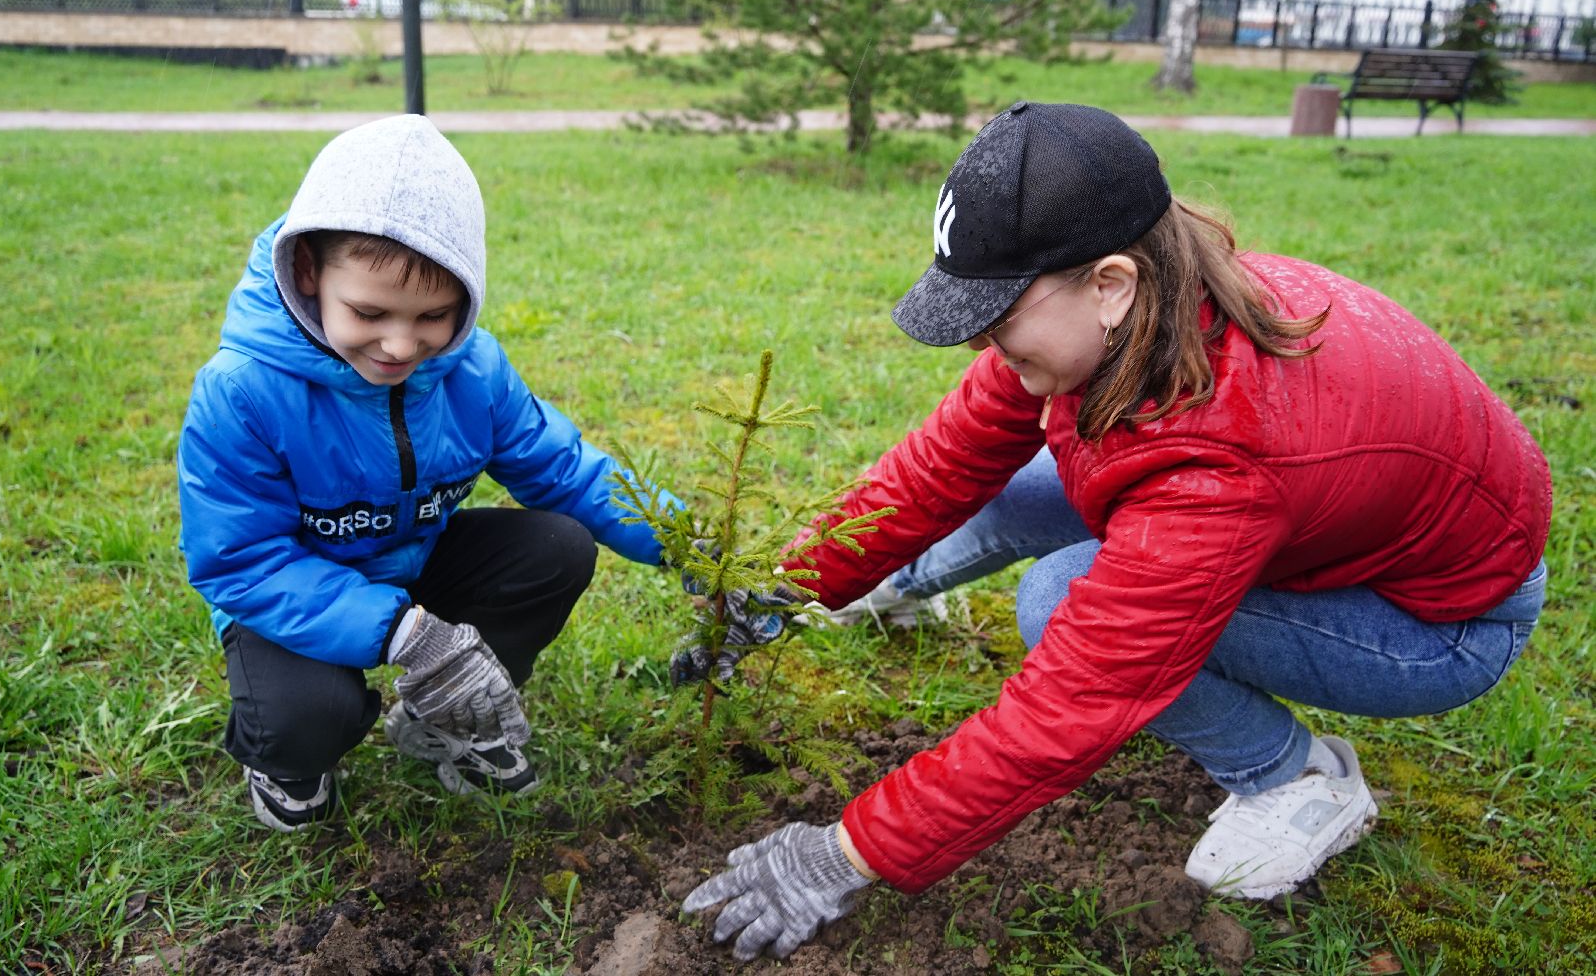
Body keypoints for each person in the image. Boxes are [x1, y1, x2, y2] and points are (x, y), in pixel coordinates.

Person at [681, 102, 1552, 961]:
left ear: (1109, 282)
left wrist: (842, 856)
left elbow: (1076, 700)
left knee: (1060, 599)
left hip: (1437, 623)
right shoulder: (1155, 311)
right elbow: (940, 468)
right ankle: (891, 592)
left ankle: (1295, 778)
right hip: (1326, 522)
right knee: (1016, 486)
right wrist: (782, 594)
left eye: (999, 312)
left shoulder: (1222, 456)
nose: (980, 341)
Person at [177, 115, 675, 832]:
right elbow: (241, 562)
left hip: (415, 560)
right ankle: (285, 761)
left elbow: (565, 470)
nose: (401, 343)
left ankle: (445, 712)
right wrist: (405, 635)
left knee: (557, 547)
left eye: (434, 315)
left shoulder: (471, 369)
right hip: (287, 596)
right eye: (369, 312)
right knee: (312, 712)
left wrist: (683, 541)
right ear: (309, 273)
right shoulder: (243, 391)